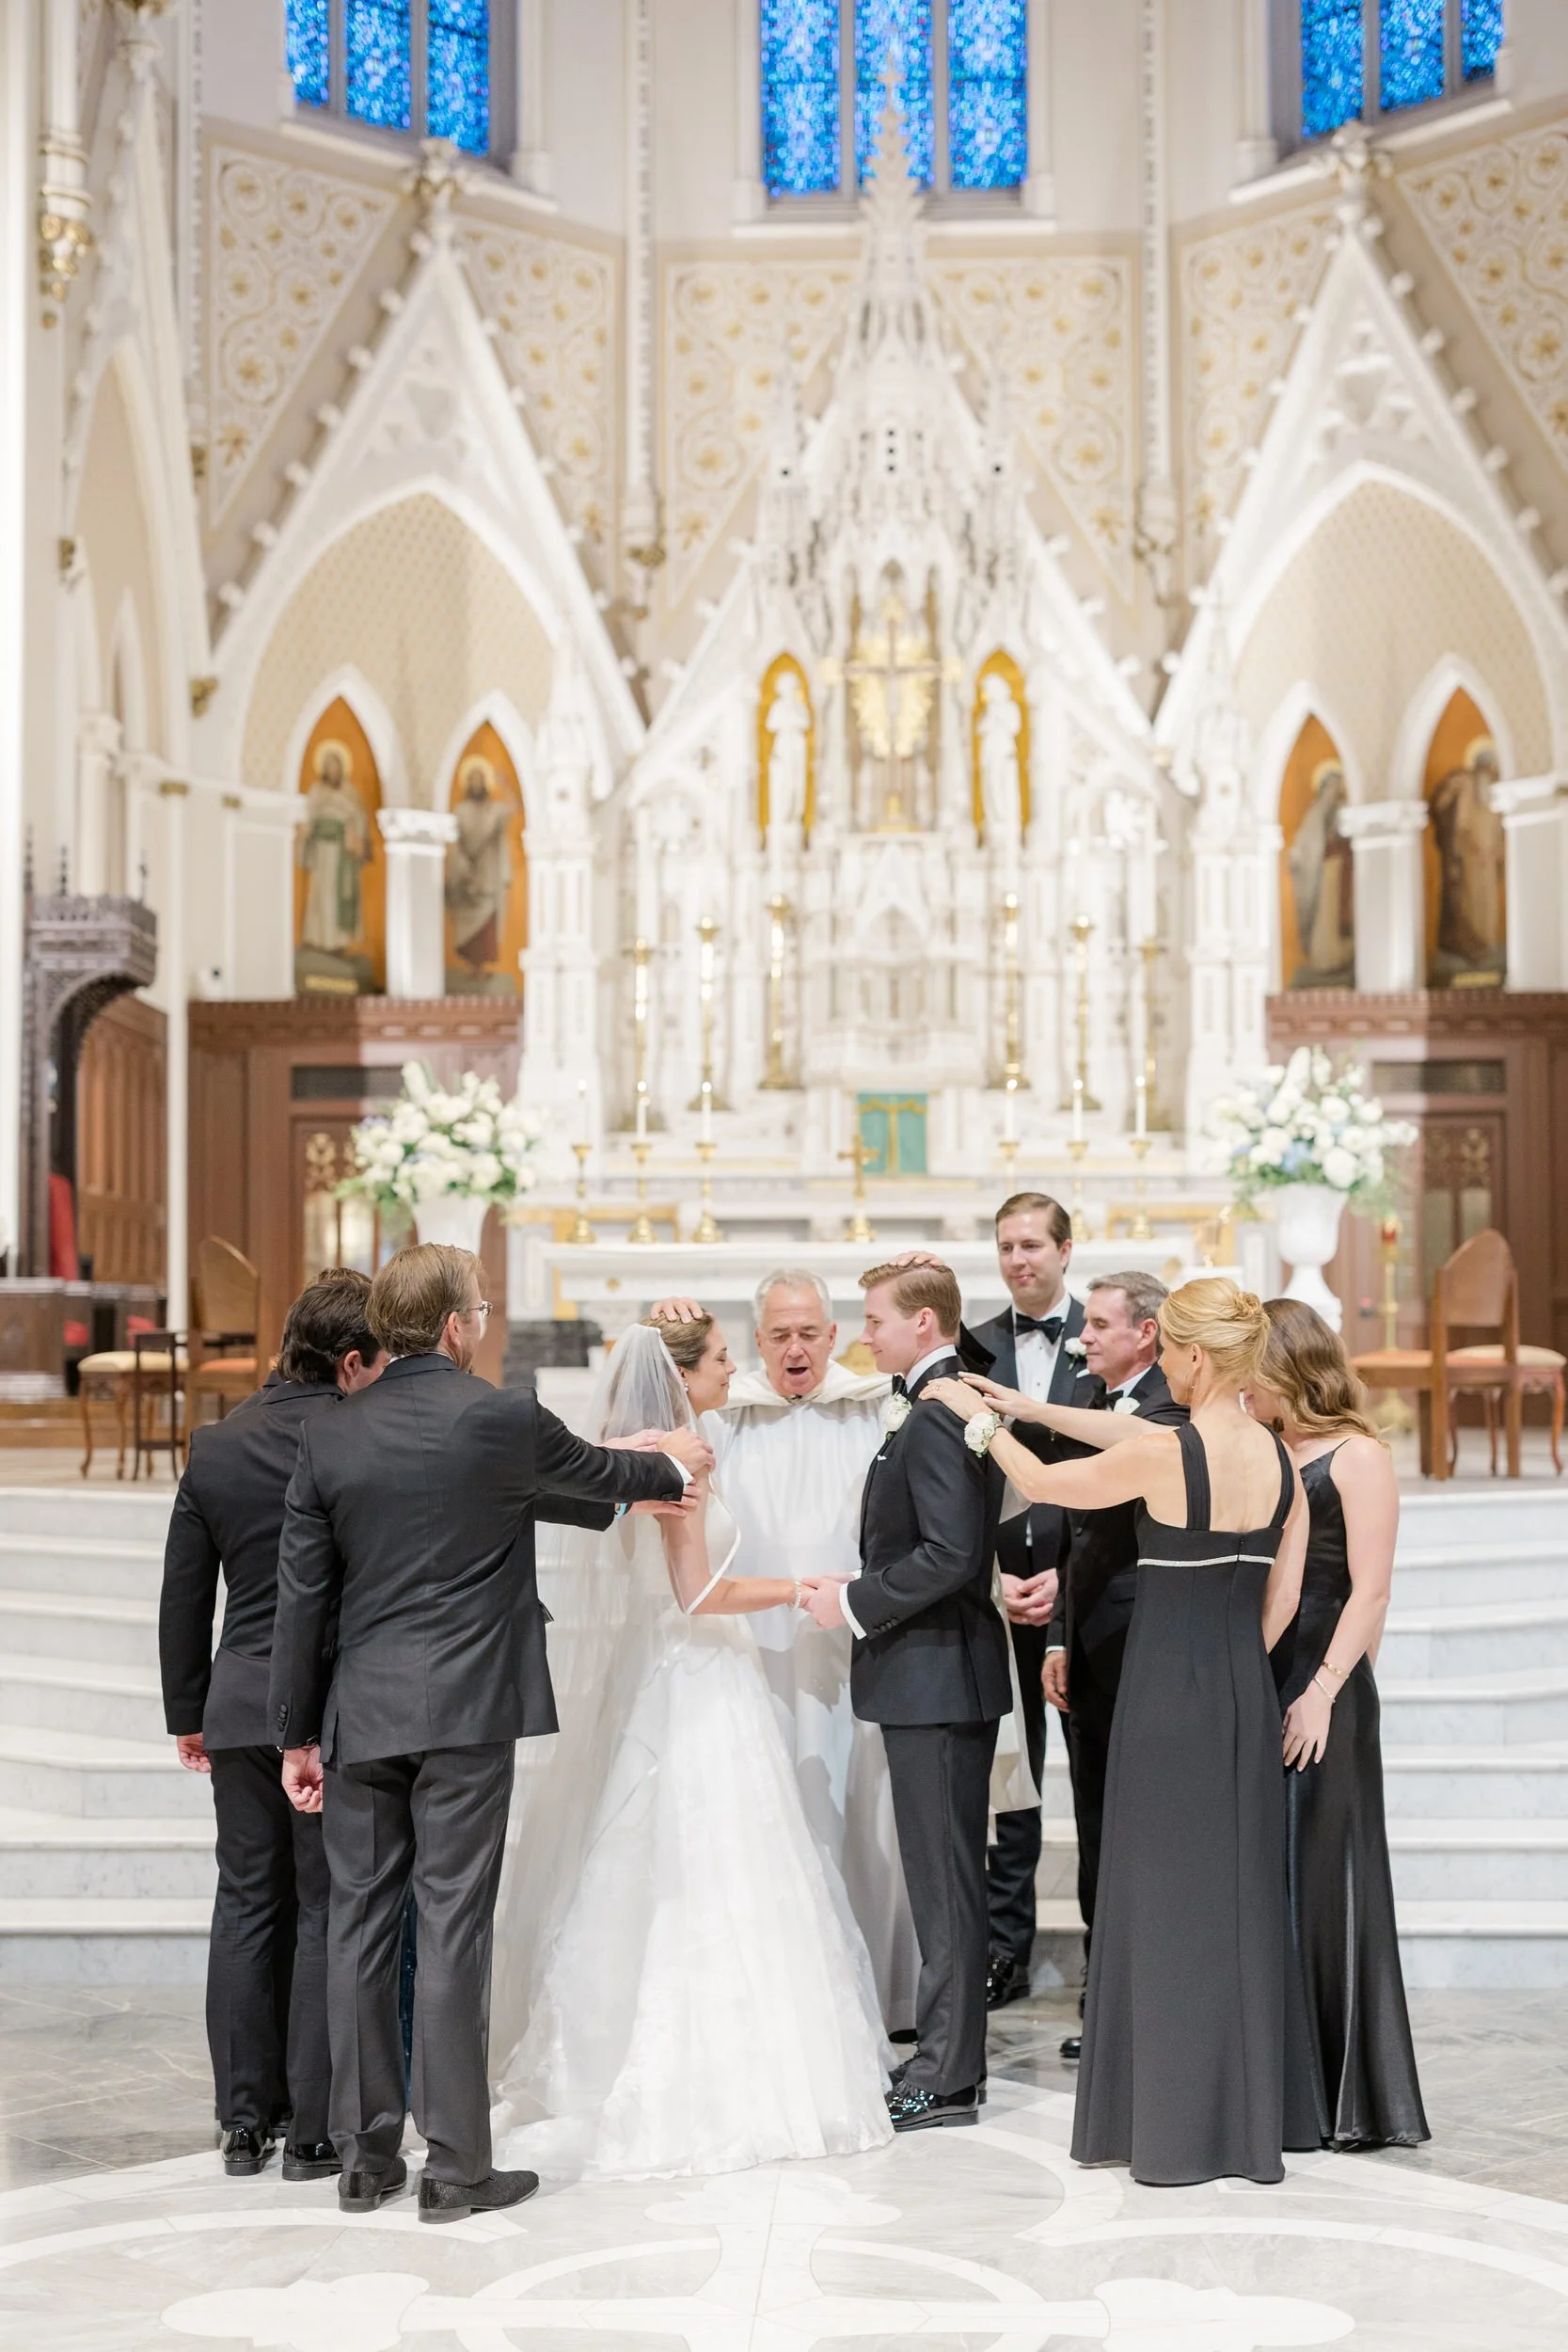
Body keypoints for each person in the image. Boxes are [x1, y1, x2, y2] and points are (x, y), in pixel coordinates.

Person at [269, 1244, 706, 2224]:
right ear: (459, 1325)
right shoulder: (499, 1417)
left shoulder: (330, 1434)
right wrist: (677, 1452)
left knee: (359, 1926)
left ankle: (364, 2158)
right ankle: (458, 2165)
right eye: (482, 1309)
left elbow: (303, 1598)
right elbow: (602, 1475)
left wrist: (297, 1734)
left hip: (362, 1712)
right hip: (468, 1711)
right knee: (453, 1923)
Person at [927, 1276, 1321, 2185]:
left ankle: (1167, 2118)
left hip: (1162, 1698)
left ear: (1187, 1355)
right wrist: (1022, 1402)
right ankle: (1247, 2110)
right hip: (1238, 1693)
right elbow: (1284, 1598)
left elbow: (1041, 1480)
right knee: (1235, 1896)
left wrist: (971, 1417)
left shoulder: (1166, 1455)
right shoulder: (1276, 1457)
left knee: (1155, 1897)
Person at [491, 1311, 893, 2180]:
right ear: (684, 1374)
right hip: (698, 1675)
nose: (734, 1367)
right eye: (719, 1358)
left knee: (666, 1865)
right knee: (709, 1867)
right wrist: (801, 1588)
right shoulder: (687, 1455)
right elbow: (699, 1590)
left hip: (684, 1673)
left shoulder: (652, 1442)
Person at [158, 1270, 388, 2183]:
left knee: (247, 1900)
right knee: (329, 1904)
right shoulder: (351, 1432)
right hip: (329, 1708)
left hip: (238, 1703)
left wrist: (188, 1711)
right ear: (348, 1355)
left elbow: (184, 1594)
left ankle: (244, 2119)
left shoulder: (216, 1444)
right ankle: (313, 2132)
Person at [643, 1270, 918, 2028]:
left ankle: (878, 1997)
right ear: (755, 1340)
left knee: (862, 1819)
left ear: (835, 1337)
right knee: (775, 1822)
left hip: (854, 1650)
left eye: (808, 1333)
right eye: (777, 1335)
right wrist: (661, 1320)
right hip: (748, 1652)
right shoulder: (722, 1415)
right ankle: (789, 1999)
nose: (794, 1350)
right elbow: (655, 1392)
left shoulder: (878, 1412)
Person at [803, 1261, 1010, 2132]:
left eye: (877, 1319)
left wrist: (853, 1601)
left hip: (934, 1676)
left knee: (944, 1883)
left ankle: (946, 2074)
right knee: (942, 1878)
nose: (866, 1333)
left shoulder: (934, 1418)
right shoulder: (938, 1406)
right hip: (934, 1675)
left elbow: (950, 1555)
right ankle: (949, 2054)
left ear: (925, 1324)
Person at [976, 1270, 1187, 2058]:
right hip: (1091, 1646)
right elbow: (1077, 1538)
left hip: (1144, 1649)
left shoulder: (1170, 1408)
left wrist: (1013, 1414)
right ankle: (1107, 1990)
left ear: (1146, 1333)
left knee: (1135, 1824)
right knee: (1097, 1824)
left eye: (1099, 1325)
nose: (1083, 1338)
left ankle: (1135, 1992)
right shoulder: (1101, 1402)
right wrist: (1060, 1635)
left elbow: (1073, 1498)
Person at [1248, 1298, 1430, 2152]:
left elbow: (1371, 1591)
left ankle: (1343, 2092)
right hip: (1264, 1672)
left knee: (1326, 1879)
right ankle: (1281, 2088)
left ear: (1287, 1364)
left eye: (1253, 1364)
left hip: (1328, 1684)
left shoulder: (1358, 1455)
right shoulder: (1260, 1449)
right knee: (1270, 1878)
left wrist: (1322, 1688)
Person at [967, 1193, 1086, 2011]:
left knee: (1095, 1777)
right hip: (997, 1590)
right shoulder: (971, 1346)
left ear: (1065, 1250)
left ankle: (1106, 1955)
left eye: (1032, 1245)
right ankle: (1003, 1948)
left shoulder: (1106, 1337)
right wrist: (990, 1576)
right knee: (1010, 1779)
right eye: (1006, 1246)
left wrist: (1068, 1582)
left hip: (1082, 1595)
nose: (1018, 1260)